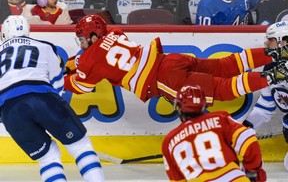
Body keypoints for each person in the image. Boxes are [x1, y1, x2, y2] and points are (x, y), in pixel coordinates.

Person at [64, 14, 288, 106]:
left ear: (93, 36)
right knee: (225, 65)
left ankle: (272, 76)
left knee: (220, 89)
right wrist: (78, 60)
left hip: (163, 79)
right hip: (170, 60)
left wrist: (59, 78)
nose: (82, 44)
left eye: (83, 39)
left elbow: (80, 86)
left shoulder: (89, 61)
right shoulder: (116, 33)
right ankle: (276, 53)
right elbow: (103, 53)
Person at [0, 15, 105, 182]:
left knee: (47, 157)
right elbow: (57, 84)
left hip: (10, 111)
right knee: (80, 146)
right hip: (43, 98)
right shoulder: (44, 46)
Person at [161, 85, 267, 181]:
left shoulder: (169, 141)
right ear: (204, 105)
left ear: (179, 108)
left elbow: (177, 180)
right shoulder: (219, 119)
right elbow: (248, 141)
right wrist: (252, 170)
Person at [244, 20, 288, 171]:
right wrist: (244, 127)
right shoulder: (271, 68)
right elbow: (265, 108)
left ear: (284, 42)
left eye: (270, 40)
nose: (266, 44)